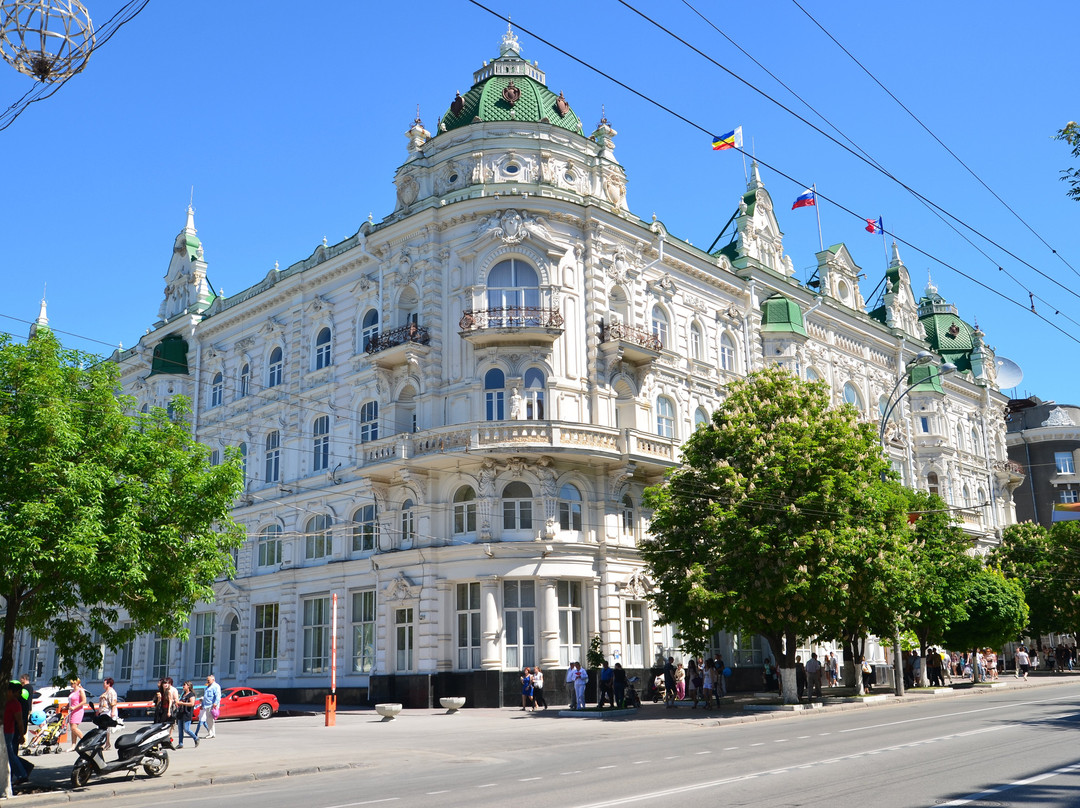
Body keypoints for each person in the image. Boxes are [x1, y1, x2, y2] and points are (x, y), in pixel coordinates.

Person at [5, 681, 29, 785]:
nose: (17, 695)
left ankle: (22, 774)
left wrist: (22, 735)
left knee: (10, 754)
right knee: (9, 754)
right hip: (6, 731)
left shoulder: (16, 703)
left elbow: (20, 721)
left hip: (9, 732)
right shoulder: (5, 701)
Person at [176, 681, 200, 747]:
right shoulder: (183, 694)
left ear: (188, 686)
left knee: (186, 729)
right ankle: (180, 743)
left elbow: (192, 704)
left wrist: (182, 703)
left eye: (184, 685)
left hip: (187, 713)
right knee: (180, 730)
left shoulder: (191, 694)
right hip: (180, 713)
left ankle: (196, 738)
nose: (183, 686)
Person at [67, 677, 88, 751]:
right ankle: (73, 745)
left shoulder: (80, 690)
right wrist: (66, 706)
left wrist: (75, 707)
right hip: (71, 711)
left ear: (77, 683)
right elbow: (70, 701)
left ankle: (85, 741)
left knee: (74, 728)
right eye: (71, 683)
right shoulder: (72, 691)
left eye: (73, 683)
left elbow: (84, 701)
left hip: (78, 711)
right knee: (72, 729)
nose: (72, 684)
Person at [198, 674, 222, 738]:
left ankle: (211, 733)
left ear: (213, 680)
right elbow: (205, 697)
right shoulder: (207, 687)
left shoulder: (216, 686)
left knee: (210, 720)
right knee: (209, 720)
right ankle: (212, 733)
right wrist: (202, 705)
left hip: (212, 705)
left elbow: (218, 696)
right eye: (207, 680)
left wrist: (216, 703)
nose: (207, 681)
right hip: (207, 705)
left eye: (208, 680)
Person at [98, 677, 118, 749]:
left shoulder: (111, 692)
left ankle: (105, 743)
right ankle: (107, 743)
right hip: (103, 711)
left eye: (104, 684)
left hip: (108, 712)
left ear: (108, 684)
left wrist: (112, 712)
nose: (103, 685)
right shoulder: (106, 692)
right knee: (104, 728)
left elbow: (113, 703)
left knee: (105, 728)